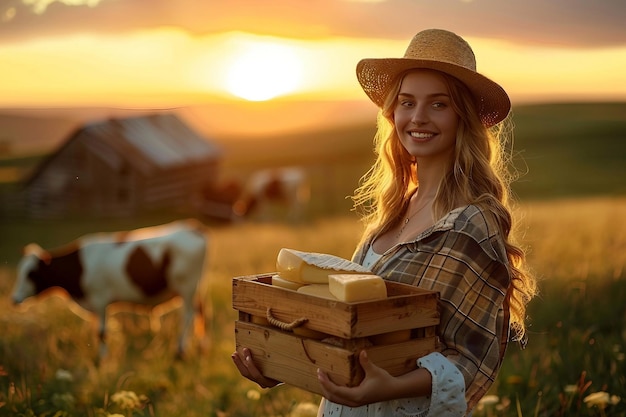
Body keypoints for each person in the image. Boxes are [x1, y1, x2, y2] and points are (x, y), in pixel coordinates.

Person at [232, 28, 538, 417]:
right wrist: (279, 363)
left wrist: (390, 387)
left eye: (438, 104)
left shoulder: (472, 223)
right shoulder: (393, 212)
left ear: (464, 117)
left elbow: (474, 360)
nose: (418, 117)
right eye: (407, 102)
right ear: (393, 112)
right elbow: (349, 333)